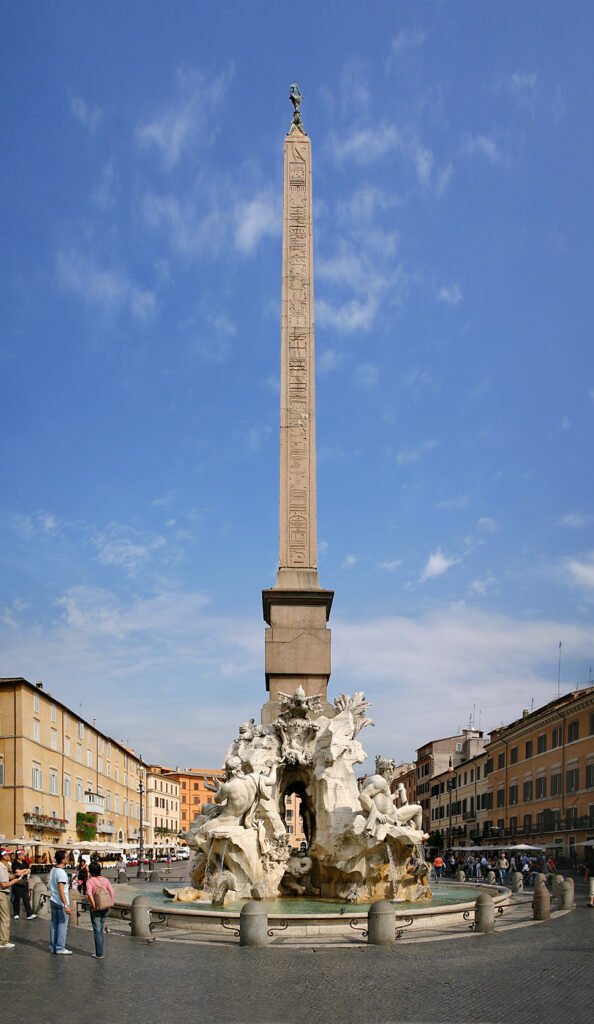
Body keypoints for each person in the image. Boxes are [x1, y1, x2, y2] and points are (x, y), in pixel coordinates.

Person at [0, 848, 30, 949]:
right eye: (8, 854)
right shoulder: (1, 867)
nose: (10, 856)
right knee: (5, 918)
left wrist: (14, 876)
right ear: (3, 856)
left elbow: (7, 877)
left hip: (4, 893)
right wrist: (15, 881)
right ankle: (3, 941)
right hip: (2, 893)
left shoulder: (4, 866)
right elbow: (4, 884)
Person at [86, 861, 115, 959]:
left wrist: (93, 905)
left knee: (97, 930)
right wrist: (111, 903)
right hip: (106, 907)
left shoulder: (90, 881)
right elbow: (112, 891)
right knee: (101, 929)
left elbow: (89, 894)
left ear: (90, 871)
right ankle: (101, 951)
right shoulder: (105, 880)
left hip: (97, 908)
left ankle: (99, 953)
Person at [48, 850, 72, 954]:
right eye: (67, 857)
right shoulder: (61, 873)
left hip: (53, 899)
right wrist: (66, 905)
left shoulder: (53, 870)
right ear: (62, 859)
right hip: (60, 901)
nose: (68, 859)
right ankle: (60, 947)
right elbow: (61, 890)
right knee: (62, 925)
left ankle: (53, 946)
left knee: (54, 923)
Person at [11, 850, 36, 920]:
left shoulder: (25, 862)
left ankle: (29, 914)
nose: (23, 856)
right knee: (17, 899)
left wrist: (22, 871)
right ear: (18, 855)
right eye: (22, 854)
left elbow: (29, 870)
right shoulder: (14, 863)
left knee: (26, 899)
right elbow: (17, 872)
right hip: (17, 883)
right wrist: (25, 871)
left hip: (25, 882)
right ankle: (16, 914)